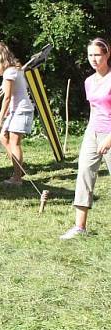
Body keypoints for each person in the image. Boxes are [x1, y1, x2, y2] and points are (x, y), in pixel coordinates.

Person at [61, 38, 111, 240]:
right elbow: (93, 109)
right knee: (84, 174)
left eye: (97, 54)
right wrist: (91, 134)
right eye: (90, 55)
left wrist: (108, 139)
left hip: (110, 134)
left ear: (107, 55)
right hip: (93, 133)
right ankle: (79, 227)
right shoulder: (89, 81)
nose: (93, 59)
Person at [0, 42, 34, 185]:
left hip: (22, 110)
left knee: (15, 143)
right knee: (3, 138)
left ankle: (17, 178)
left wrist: (0, 119)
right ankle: (18, 169)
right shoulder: (15, 70)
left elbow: (7, 97)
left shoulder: (10, 72)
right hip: (16, 110)